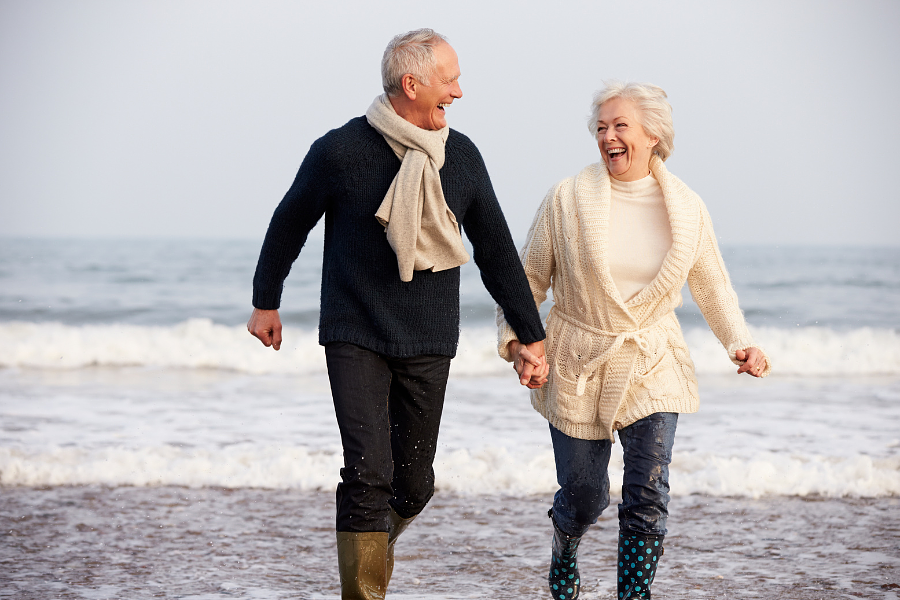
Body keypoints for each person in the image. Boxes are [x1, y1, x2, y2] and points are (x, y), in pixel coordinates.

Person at [247, 29, 548, 600]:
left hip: (429, 336)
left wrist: (531, 336)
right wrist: (267, 299)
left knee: (412, 486)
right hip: (354, 330)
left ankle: (368, 558)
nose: (459, 92)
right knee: (367, 475)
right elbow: (290, 222)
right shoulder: (339, 151)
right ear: (412, 84)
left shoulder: (460, 156)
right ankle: (363, 593)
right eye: (450, 79)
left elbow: (497, 249)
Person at [497, 81, 770, 600]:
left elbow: (711, 283)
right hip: (578, 356)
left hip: (652, 356)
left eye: (620, 125)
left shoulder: (687, 207)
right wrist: (519, 345)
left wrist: (740, 342)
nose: (608, 136)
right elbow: (528, 280)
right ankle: (564, 545)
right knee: (584, 495)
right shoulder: (567, 198)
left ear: (652, 135)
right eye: (601, 127)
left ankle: (634, 595)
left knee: (647, 491)